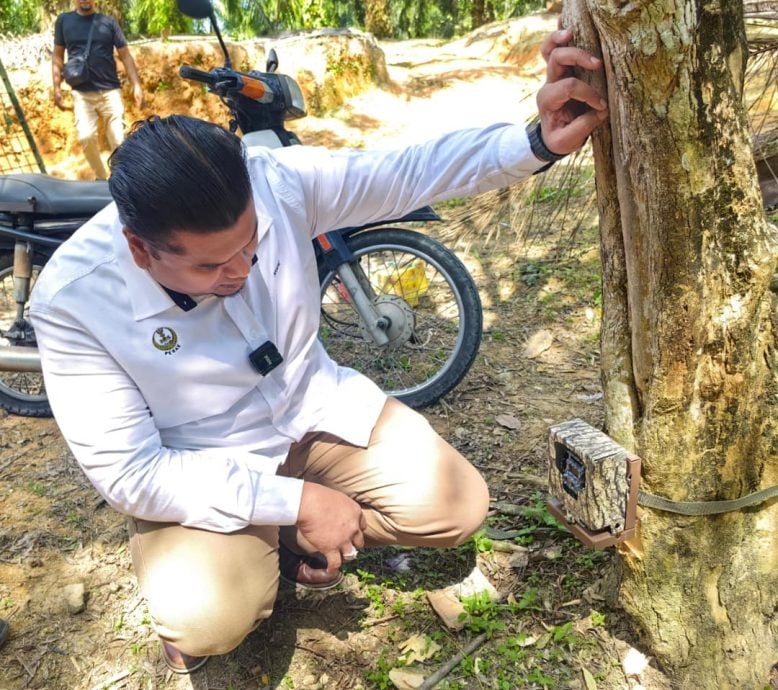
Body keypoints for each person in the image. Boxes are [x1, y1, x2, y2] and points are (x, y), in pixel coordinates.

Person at [30, 29, 608, 674]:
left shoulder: (278, 179)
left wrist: (536, 141)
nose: (241, 270)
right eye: (209, 265)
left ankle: (286, 537)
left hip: (315, 407)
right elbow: (131, 474)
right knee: (206, 620)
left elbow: (406, 169)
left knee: (456, 508)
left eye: (251, 245)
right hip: (205, 459)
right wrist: (297, 504)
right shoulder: (74, 301)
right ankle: (265, 540)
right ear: (140, 250)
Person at [52, 0, 145, 180]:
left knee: (118, 140)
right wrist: (56, 87)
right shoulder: (64, 21)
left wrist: (137, 85)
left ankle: (122, 179)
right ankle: (102, 179)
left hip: (110, 91)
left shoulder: (109, 22)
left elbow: (125, 55)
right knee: (86, 137)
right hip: (81, 93)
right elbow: (57, 56)